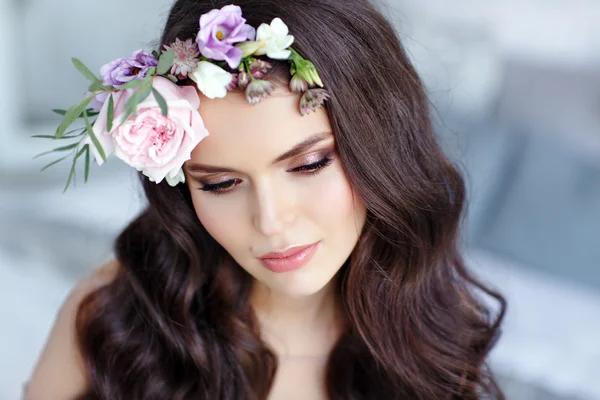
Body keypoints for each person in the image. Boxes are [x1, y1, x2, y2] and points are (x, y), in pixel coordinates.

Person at [25, 0, 506, 399]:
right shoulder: (114, 318)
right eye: (220, 184)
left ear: (381, 148)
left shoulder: (437, 334)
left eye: (309, 165)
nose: (271, 222)